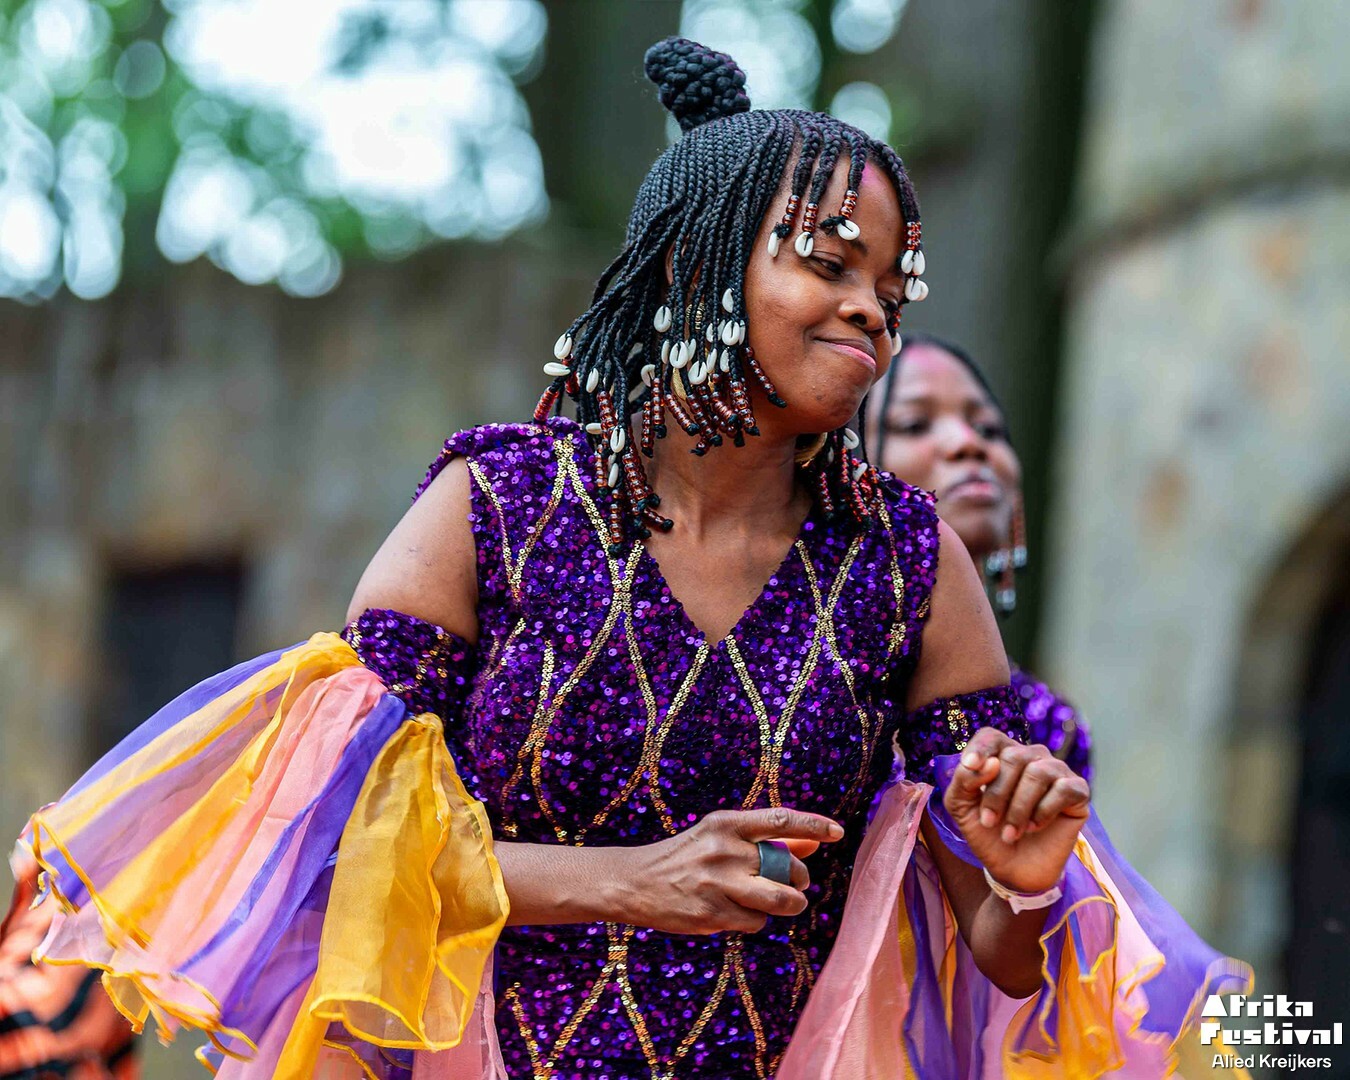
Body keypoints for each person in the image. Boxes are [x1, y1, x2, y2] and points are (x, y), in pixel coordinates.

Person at [11, 38, 1250, 1079]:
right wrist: (627, 881)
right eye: (830, 264)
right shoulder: (495, 505)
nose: (873, 311)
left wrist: (1022, 887)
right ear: (691, 265)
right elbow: (339, 859)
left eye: (890, 286)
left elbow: (1003, 958)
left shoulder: (909, 563)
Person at [866, 332, 1092, 783]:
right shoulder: (806, 684)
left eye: (989, 429)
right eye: (914, 424)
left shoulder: (1051, 726)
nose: (969, 443)